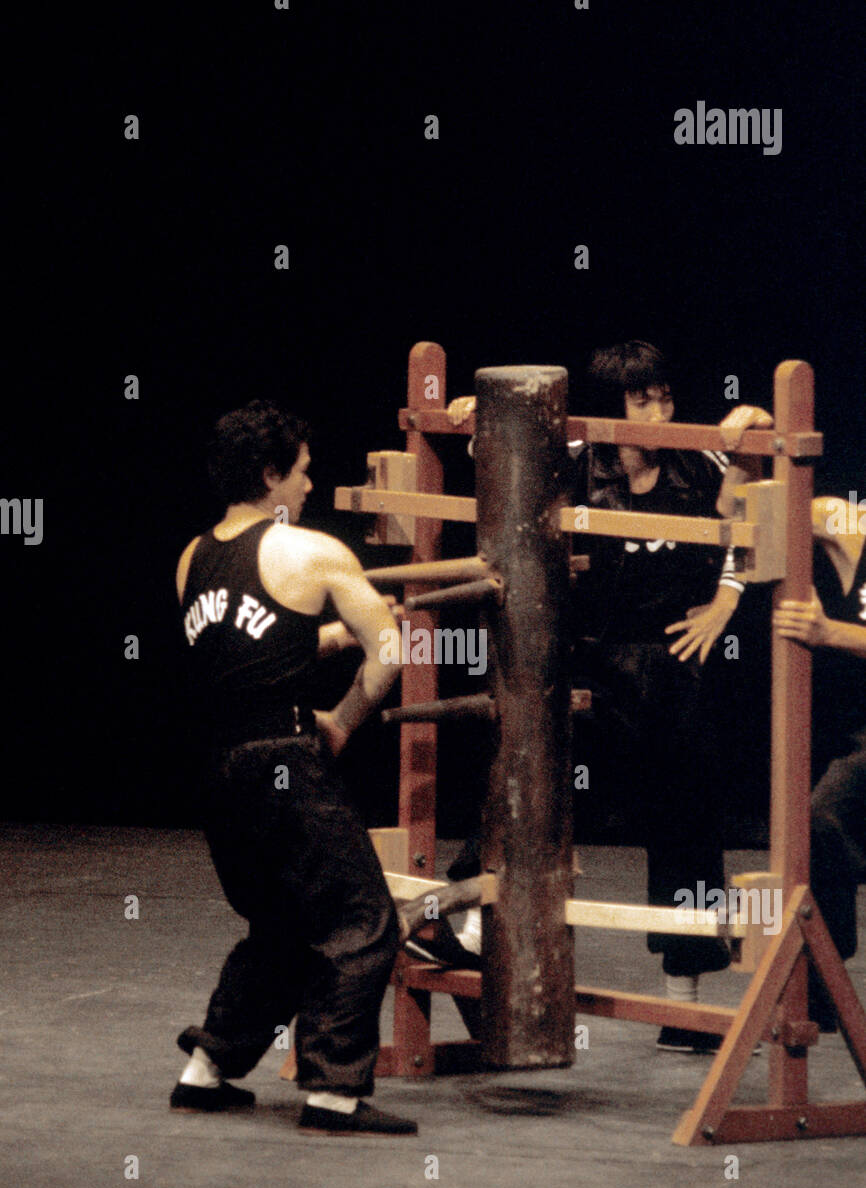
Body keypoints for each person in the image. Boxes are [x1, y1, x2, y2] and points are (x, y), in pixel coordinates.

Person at [437, 342, 771, 1054]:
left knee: (688, 824)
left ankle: (685, 1006)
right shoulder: (578, 455)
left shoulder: (698, 457)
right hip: (593, 658)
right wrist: (476, 422)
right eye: (639, 400)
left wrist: (724, 601)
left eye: (664, 398)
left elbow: (751, 506)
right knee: (537, 771)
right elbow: (506, 464)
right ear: (613, 407)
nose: (655, 412)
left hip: (673, 660)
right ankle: (461, 914)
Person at [171, 399, 417, 1134]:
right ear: (272, 474)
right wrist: (341, 721)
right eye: (303, 472)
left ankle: (207, 1069)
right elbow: (394, 655)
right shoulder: (311, 550)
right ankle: (334, 1092)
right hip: (285, 764)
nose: (310, 486)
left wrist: (332, 637)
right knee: (363, 919)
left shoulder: (193, 558)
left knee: (281, 924)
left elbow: (250, 655)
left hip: (217, 772)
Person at [773, 494, 866, 1031]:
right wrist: (750, 446)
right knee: (813, 825)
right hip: (851, 727)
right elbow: (743, 516)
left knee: (823, 817)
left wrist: (827, 631)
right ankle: (826, 977)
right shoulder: (845, 520)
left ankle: (826, 975)